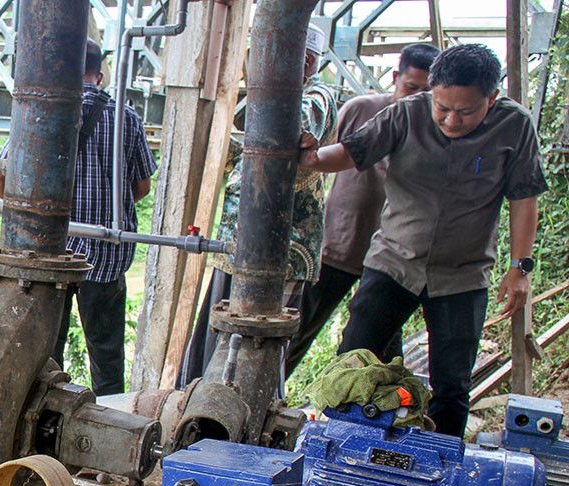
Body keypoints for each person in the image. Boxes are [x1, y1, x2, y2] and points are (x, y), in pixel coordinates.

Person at [300, 44, 547, 437]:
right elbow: (352, 152)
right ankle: (342, 453)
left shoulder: (513, 127)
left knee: (451, 386)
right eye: (442, 107)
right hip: (394, 262)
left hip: (462, 276)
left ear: (492, 98)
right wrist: (312, 160)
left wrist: (520, 269)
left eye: (465, 112)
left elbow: (524, 199)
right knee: (353, 361)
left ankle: (438, 472)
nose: (450, 120)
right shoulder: (406, 113)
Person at [0, 38, 157, 396]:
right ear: (100, 74)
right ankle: (111, 424)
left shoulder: (40, 111)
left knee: (46, 354)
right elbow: (140, 187)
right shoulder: (127, 119)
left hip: (50, 255)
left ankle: (42, 430)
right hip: (107, 256)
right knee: (107, 356)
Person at [180, 23, 339, 384]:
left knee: (256, 344)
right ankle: (198, 400)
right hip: (238, 245)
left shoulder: (316, 96)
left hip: (281, 250)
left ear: (308, 63)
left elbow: (292, 130)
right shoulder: (266, 95)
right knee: (217, 335)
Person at [284, 43, 440, 378]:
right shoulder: (360, 109)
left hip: (392, 260)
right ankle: (267, 399)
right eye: (410, 88)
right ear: (395, 78)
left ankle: (378, 415)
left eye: (427, 92)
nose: (417, 99)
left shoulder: (438, 128)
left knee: (379, 350)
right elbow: (315, 162)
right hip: (338, 248)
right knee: (294, 334)